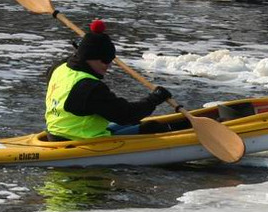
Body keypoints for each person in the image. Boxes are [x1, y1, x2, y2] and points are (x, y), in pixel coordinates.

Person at [44, 19, 173, 141]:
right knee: (153, 128)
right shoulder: (90, 88)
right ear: (89, 58)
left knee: (135, 123)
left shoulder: (58, 68)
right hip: (81, 140)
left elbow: (77, 57)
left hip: (55, 134)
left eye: (110, 60)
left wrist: (88, 44)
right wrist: (155, 99)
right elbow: (126, 115)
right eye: (105, 60)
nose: (109, 65)